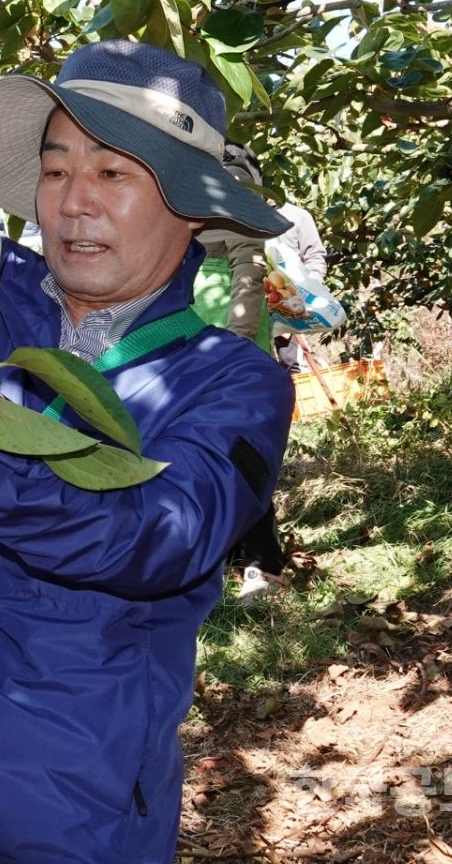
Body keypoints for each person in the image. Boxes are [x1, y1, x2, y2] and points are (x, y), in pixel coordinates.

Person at [0, 40, 295, 862]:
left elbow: (159, 534)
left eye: (113, 174)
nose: (73, 204)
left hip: (71, 810)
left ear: (188, 207)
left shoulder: (233, 384)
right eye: (58, 169)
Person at [197, 142, 291, 604]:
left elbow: (247, 266)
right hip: (194, 330)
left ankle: (263, 563)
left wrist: (236, 336)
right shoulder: (180, 173)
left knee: (238, 449)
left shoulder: (228, 175)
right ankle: (226, 556)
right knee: (200, 449)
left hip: (226, 332)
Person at [270, 199, 327, 373]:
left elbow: (314, 257)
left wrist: (309, 291)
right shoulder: (240, 212)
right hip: (252, 300)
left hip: (288, 304)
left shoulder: (297, 216)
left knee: (291, 362)